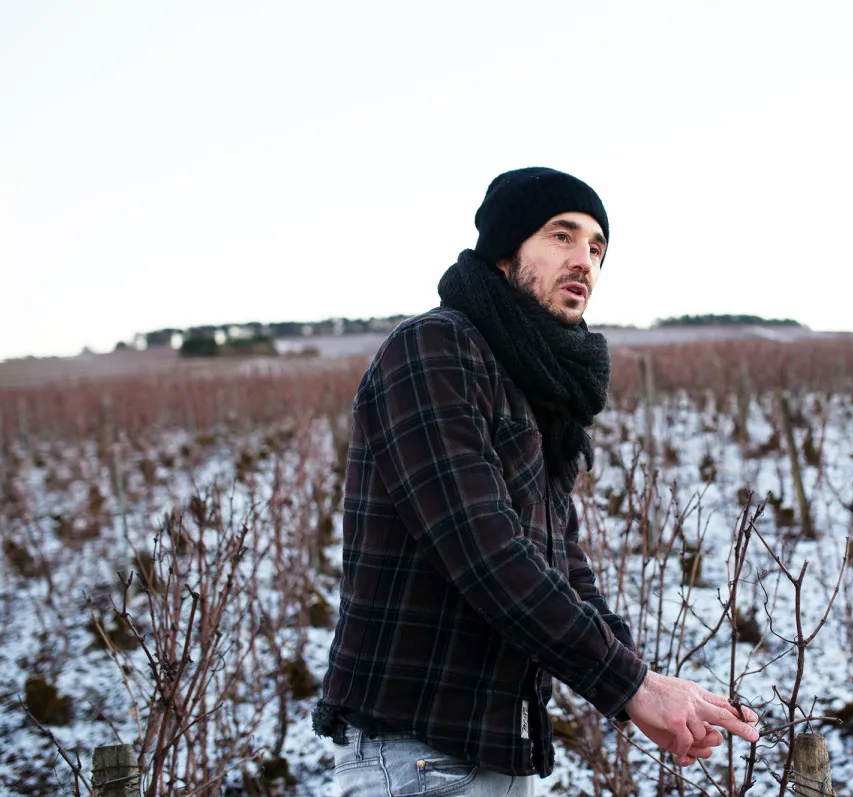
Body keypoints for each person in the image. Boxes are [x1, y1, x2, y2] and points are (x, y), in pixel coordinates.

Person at [312, 167, 759, 796]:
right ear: (504, 253)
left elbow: (558, 560)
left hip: (495, 745)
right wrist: (630, 685)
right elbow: (485, 551)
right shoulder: (435, 348)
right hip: (420, 755)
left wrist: (638, 684)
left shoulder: (529, 386)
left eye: (597, 247)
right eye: (561, 236)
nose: (584, 260)